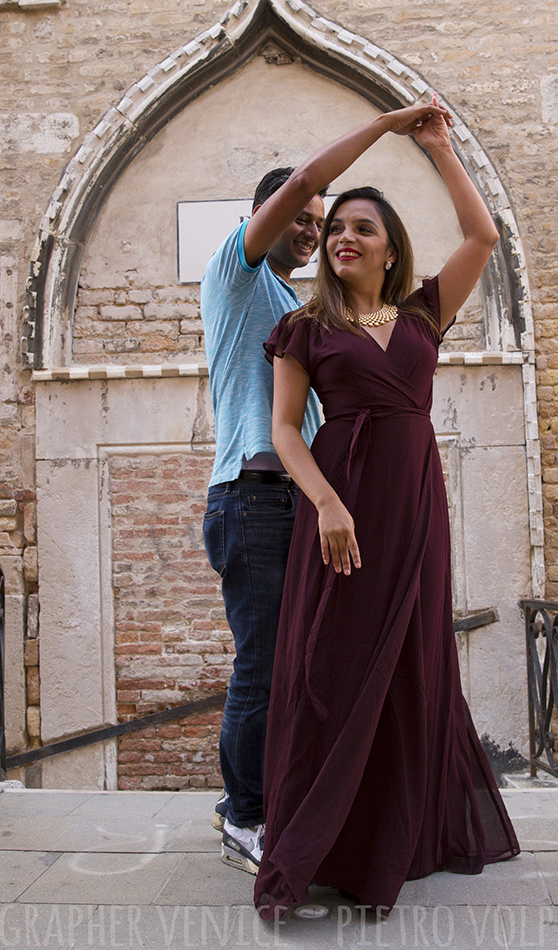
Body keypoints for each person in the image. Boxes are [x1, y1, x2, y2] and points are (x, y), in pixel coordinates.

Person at [251, 99, 521, 918]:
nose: (343, 238)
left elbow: (482, 237)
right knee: (326, 670)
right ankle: (307, 849)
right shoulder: (304, 327)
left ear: (390, 246)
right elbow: (285, 432)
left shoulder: (421, 314)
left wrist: (439, 148)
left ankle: (393, 845)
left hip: (412, 506)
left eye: (362, 227)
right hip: (342, 509)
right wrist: (328, 504)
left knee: (412, 663)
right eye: (336, 228)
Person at [199, 166, 327, 874]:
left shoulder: (291, 300)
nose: (309, 230)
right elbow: (305, 178)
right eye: (300, 216)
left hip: (285, 503)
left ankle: (241, 801)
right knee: (263, 666)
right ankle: (247, 818)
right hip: (251, 499)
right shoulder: (237, 272)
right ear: (263, 214)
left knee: (281, 663)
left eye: (319, 220)